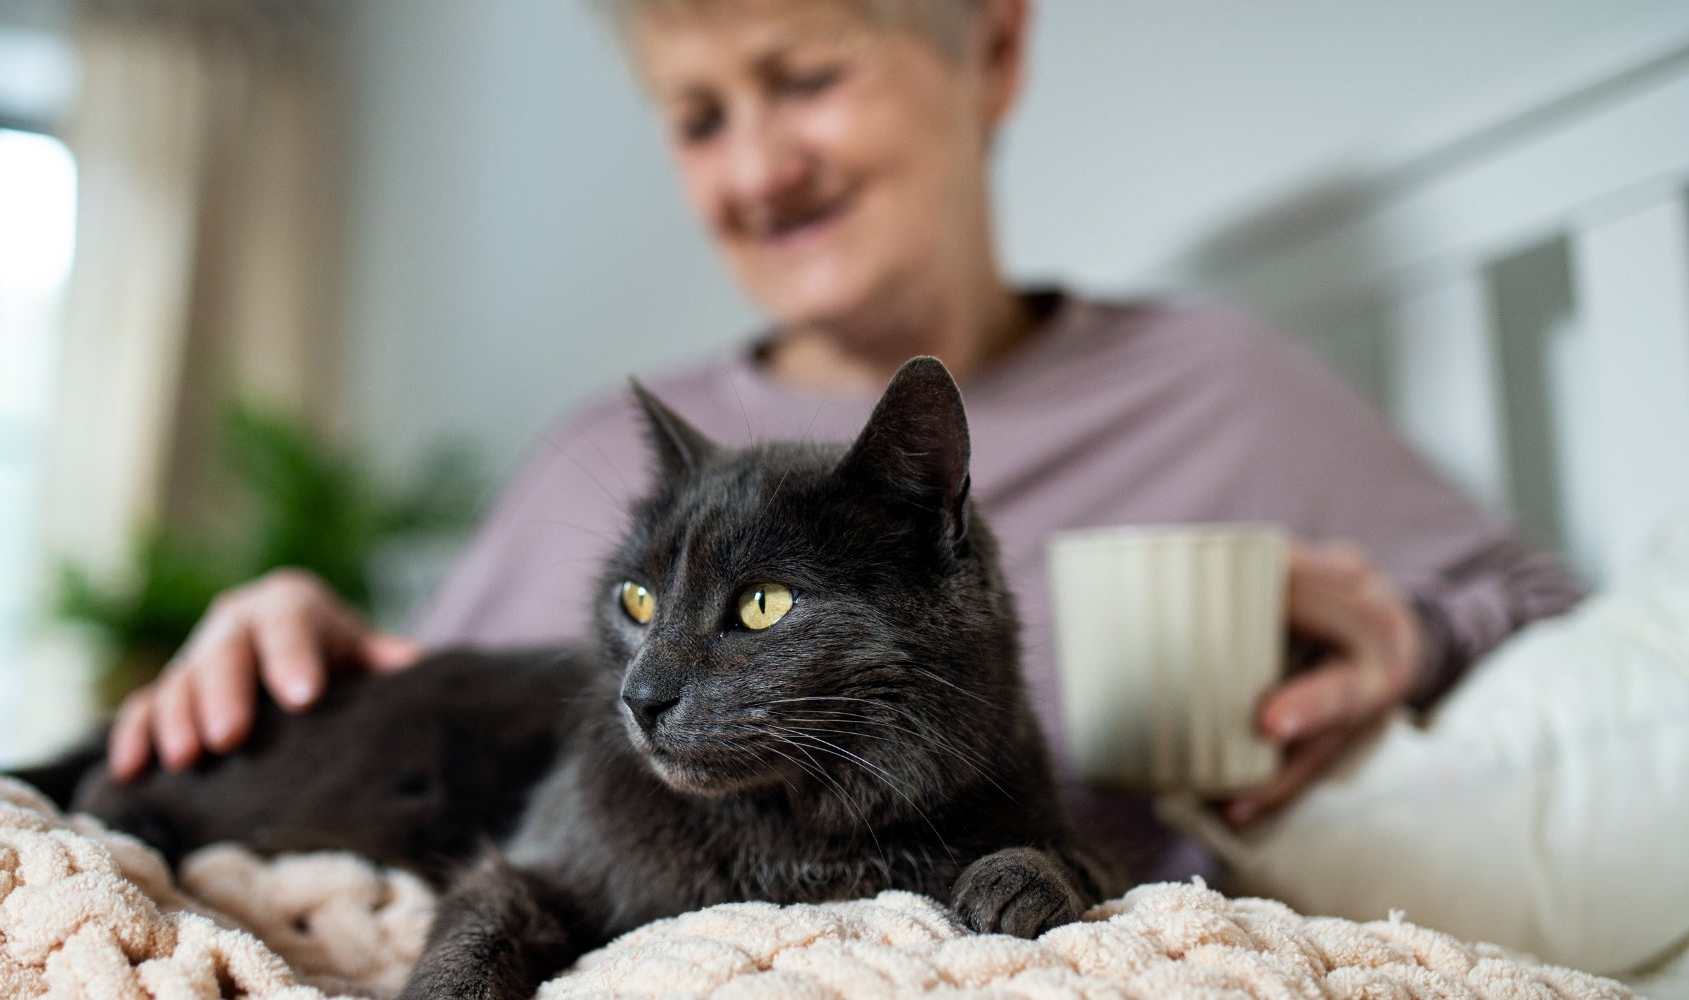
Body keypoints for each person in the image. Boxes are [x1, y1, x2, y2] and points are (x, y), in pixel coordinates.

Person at [106, 0, 1580, 882]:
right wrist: (294, 632)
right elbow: (456, 718)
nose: (757, 165)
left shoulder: (1215, 385)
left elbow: (1549, 614)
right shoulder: (613, 467)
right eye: (698, 117)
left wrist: (1409, 634)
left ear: (992, 46)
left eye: (807, 75)